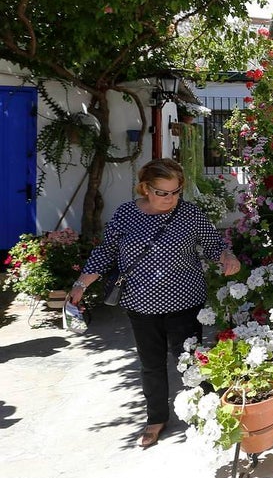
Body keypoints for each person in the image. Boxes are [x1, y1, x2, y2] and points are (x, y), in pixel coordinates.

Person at [66, 158, 240, 448]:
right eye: (162, 192)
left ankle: (207, 414)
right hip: (140, 304)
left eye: (175, 192)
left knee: (193, 362)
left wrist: (227, 258)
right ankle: (156, 419)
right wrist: (81, 284)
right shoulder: (126, 214)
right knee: (151, 365)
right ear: (145, 188)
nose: (170, 199)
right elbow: (106, 252)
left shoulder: (189, 213)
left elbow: (214, 245)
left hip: (185, 301)